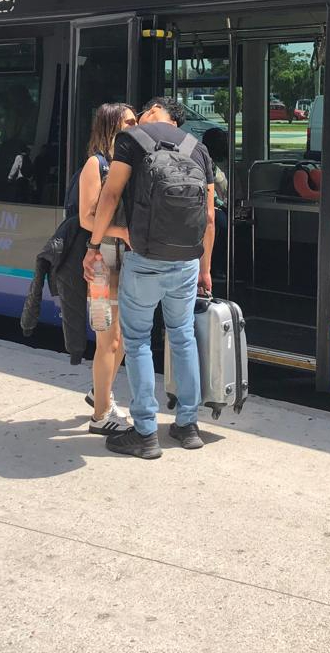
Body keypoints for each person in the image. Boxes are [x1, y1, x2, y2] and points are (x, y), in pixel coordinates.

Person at [84, 96, 216, 459]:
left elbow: (111, 195)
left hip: (144, 259)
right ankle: (187, 426)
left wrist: (95, 245)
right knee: (182, 336)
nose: (139, 116)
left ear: (155, 112)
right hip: (187, 262)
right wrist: (205, 268)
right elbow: (208, 218)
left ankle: (144, 432)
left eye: (144, 111)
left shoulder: (134, 140)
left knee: (139, 340)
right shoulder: (197, 148)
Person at [78, 103, 138, 436]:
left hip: (126, 261)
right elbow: (87, 217)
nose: (135, 124)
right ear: (112, 124)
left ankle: (101, 391)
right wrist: (121, 232)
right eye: (129, 120)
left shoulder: (127, 163)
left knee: (125, 338)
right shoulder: (96, 164)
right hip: (101, 263)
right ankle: (101, 415)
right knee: (108, 339)